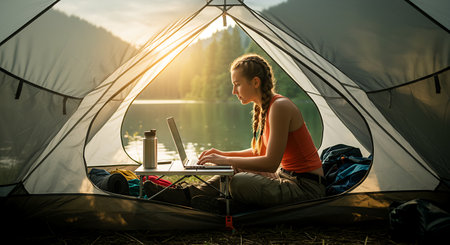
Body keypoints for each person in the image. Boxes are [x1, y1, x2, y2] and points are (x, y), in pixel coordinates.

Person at [143, 54, 326, 213]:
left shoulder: (280, 106)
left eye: (237, 85)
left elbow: (270, 163)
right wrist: (221, 154)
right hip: (285, 177)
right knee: (234, 171)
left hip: (306, 188)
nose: (233, 91)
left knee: (238, 182)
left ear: (255, 82)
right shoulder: (264, 108)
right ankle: (186, 195)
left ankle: (224, 204)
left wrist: (226, 161)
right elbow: (258, 153)